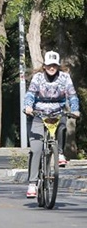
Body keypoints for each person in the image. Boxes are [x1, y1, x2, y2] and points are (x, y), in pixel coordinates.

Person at [23, 50, 80, 198]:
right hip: (38, 114)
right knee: (36, 149)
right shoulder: (37, 78)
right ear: (44, 66)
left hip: (56, 113)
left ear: (58, 65)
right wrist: (28, 106)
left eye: (54, 65)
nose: (52, 68)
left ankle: (59, 152)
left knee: (62, 123)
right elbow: (30, 94)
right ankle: (32, 183)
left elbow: (72, 95)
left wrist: (75, 109)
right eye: (49, 65)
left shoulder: (65, 78)